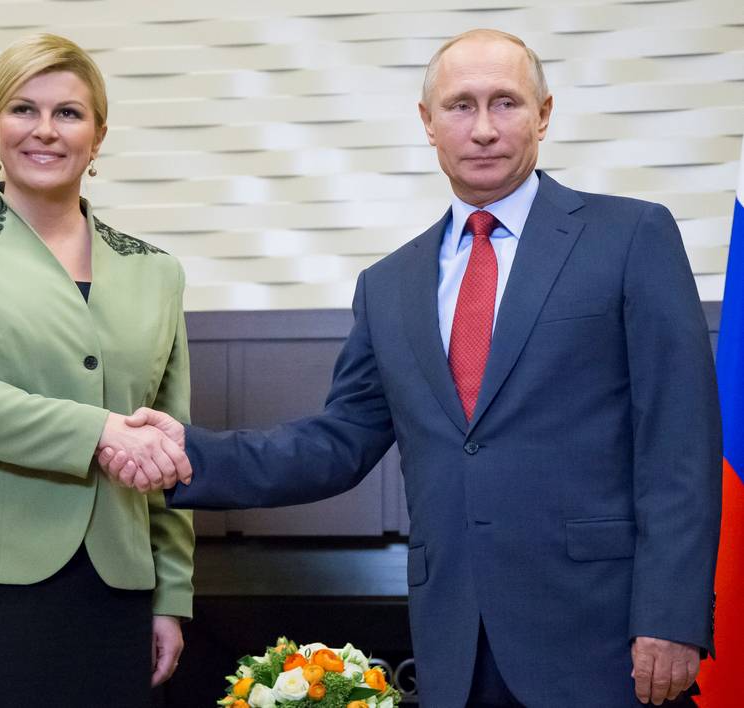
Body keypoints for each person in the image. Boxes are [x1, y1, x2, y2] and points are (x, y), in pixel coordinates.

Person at [101, 28, 722, 708]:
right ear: (427, 123)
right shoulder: (389, 285)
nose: (483, 128)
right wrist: (188, 453)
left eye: (506, 103)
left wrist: (670, 616)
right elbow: (337, 445)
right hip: (456, 642)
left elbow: (680, 443)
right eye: (460, 106)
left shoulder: (632, 237)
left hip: (604, 640)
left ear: (544, 113)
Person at [0, 34, 195, 706]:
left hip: (116, 594)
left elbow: (171, 443)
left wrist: (170, 594)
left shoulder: (157, 272)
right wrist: (103, 432)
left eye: (69, 113)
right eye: (23, 109)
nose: (45, 131)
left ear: (99, 134)